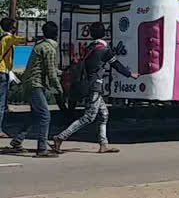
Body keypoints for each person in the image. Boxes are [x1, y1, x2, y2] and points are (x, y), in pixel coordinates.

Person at [52, 22, 139, 154]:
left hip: (89, 84)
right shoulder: (104, 50)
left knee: (104, 114)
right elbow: (116, 65)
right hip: (94, 86)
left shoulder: (90, 47)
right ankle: (60, 137)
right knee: (89, 117)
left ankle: (103, 144)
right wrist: (130, 74)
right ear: (104, 34)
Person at [4, 22, 61, 157]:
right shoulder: (49, 48)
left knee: (35, 114)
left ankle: (17, 141)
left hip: (29, 83)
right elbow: (51, 73)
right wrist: (59, 89)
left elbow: (48, 68)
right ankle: (42, 148)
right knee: (45, 115)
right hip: (35, 84)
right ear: (56, 34)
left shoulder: (40, 46)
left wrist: (61, 73)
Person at [0, 18, 29, 139]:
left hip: (3, 71)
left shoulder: (2, 38)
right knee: (1, 103)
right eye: (14, 26)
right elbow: (20, 40)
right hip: (2, 71)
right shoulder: (8, 38)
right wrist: (32, 39)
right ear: (11, 27)